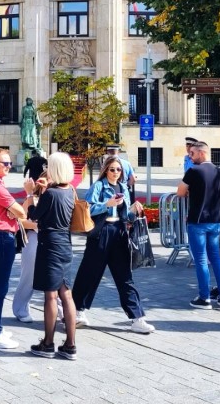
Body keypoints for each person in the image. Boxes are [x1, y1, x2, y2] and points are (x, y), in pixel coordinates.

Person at [72, 156, 154, 334]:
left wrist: (133, 209)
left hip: (119, 233)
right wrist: (106, 204)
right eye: (112, 169)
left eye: (118, 170)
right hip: (101, 233)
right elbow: (87, 208)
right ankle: (77, 312)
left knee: (125, 276)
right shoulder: (99, 186)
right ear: (105, 170)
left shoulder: (124, 187)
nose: (116, 173)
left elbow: (126, 216)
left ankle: (137, 318)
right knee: (89, 273)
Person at [0, 148, 33, 349]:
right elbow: (20, 212)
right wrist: (24, 200)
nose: (9, 166)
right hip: (1, 237)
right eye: (5, 163)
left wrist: (11, 212)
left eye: (10, 163)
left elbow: (15, 212)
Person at [28, 153, 78, 360]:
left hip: (49, 246)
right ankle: (70, 344)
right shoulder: (69, 191)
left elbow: (33, 215)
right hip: (65, 244)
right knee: (66, 294)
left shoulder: (51, 194)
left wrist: (31, 194)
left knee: (50, 295)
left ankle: (48, 343)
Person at [176, 142, 220, 310]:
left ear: (201, 153)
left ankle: (204, 297)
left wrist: (192, 192)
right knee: (216, 258)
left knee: (201, 259)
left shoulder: (193, 171)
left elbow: (180, 192)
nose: (190, 157)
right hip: (216, 220)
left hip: (198, 221)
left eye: (192, 153)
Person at [13, 172, 46, 324]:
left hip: (54, 241)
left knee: (58, 279)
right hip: (33, 238)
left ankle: (63, 311)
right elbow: (20, 220)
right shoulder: (33, 198)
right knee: (29, 276)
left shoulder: (61, 195)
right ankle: (21, 308)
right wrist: (35, 225)